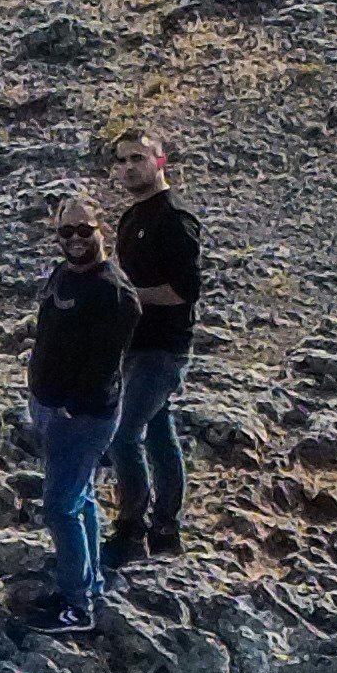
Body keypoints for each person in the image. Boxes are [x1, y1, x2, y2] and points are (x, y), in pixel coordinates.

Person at [17, 195, 138, 630]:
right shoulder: (62, 276)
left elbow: (103, 364)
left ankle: (76, 606)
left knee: (61, 507)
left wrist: (69, 407)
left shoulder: (113, 292)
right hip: (52, 407)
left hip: (81, 417)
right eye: (65, 232)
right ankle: (89, 584)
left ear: (101, 229)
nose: (75, 240)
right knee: (81, 496)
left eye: (84, 230)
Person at [103, 126, 205, 563]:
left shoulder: (174, 219)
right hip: (133, 346)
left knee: (123, 435)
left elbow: (185, 290)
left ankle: (132, 528)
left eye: (138, 159)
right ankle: (167, 528)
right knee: (160, 434)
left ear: (160, 161)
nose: (129, 168)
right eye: (122, 161)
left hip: (164, 349)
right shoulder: (130, 218)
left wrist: (128, 296)